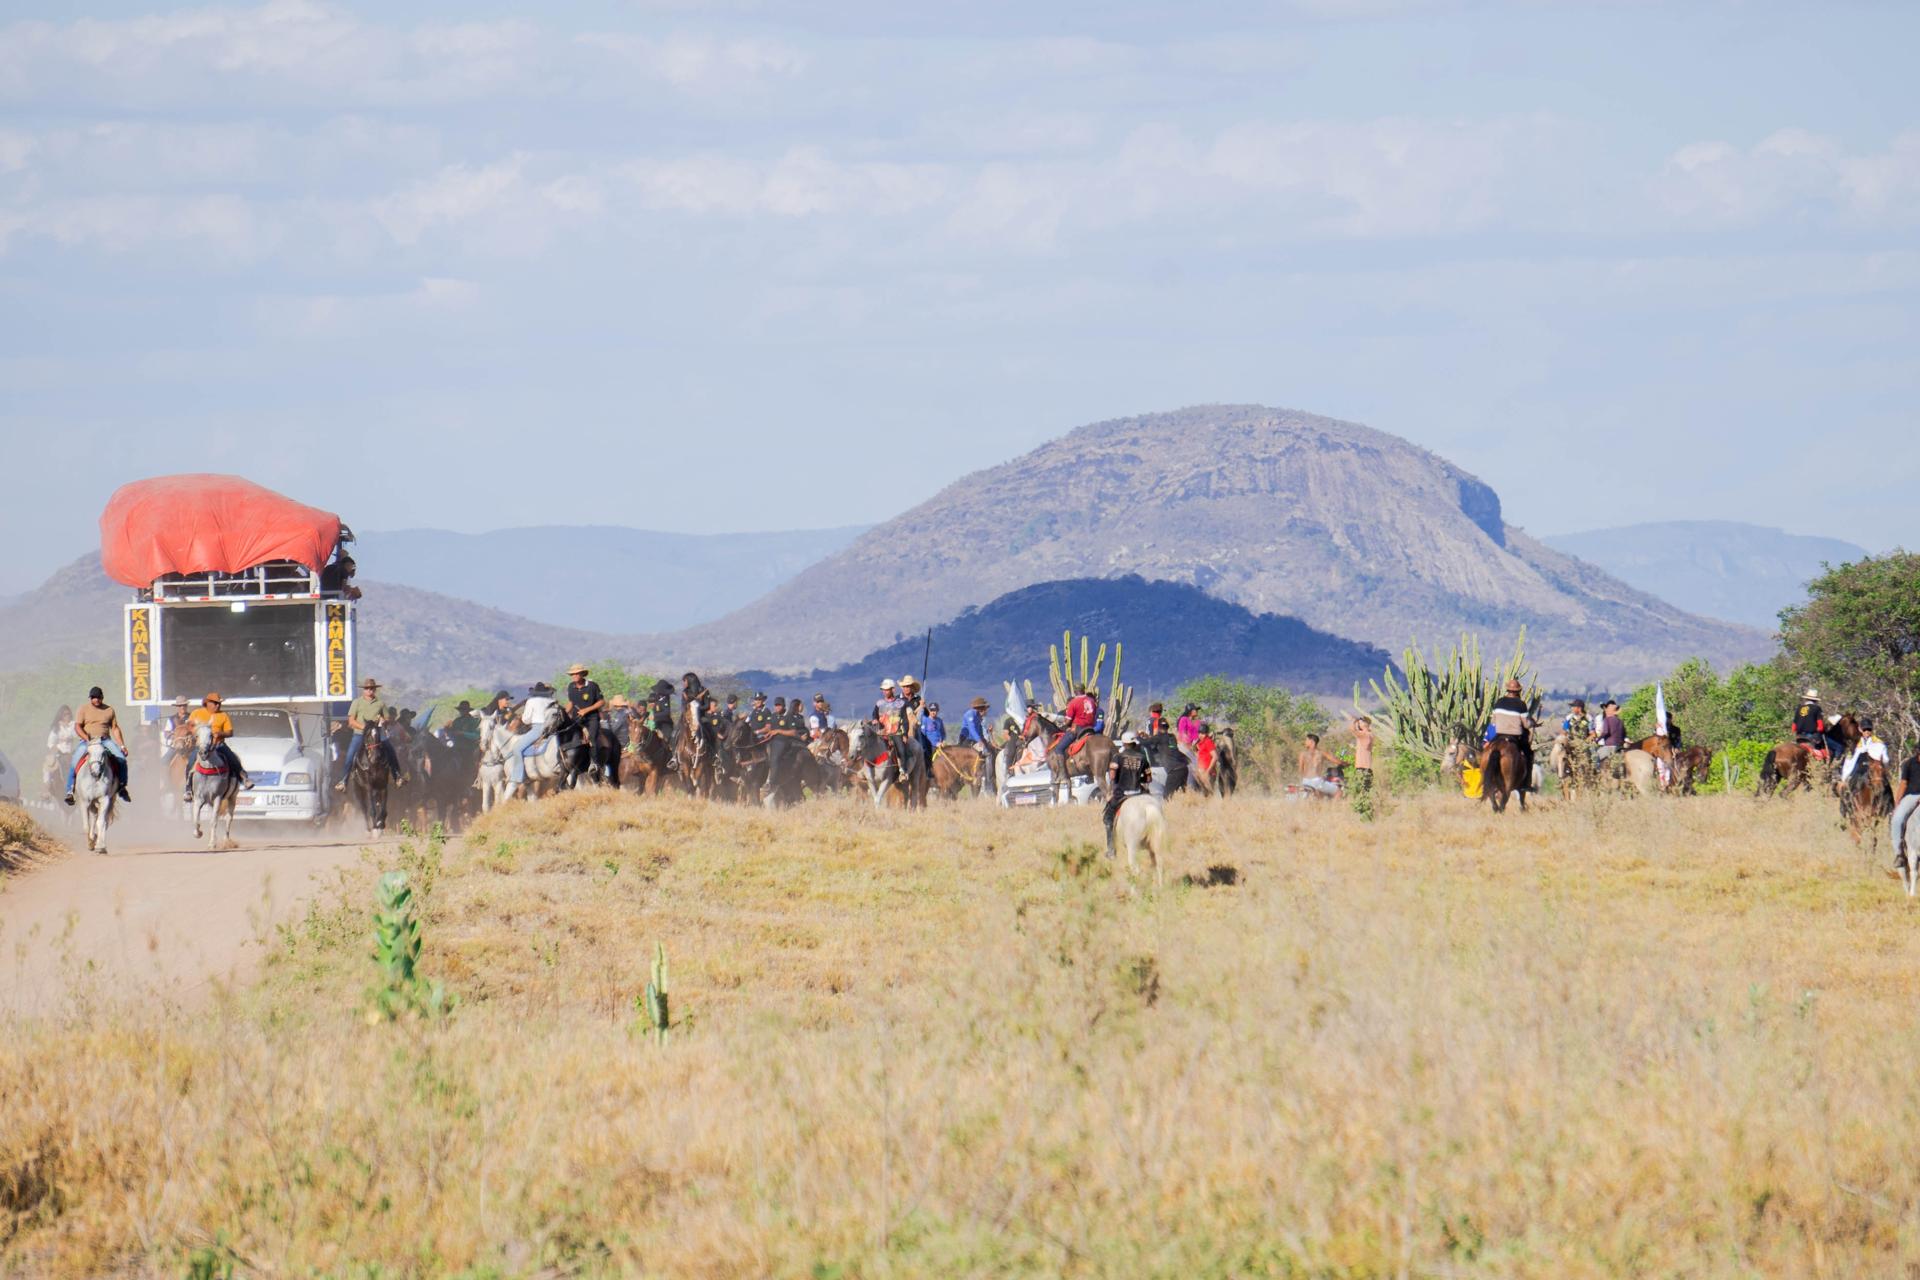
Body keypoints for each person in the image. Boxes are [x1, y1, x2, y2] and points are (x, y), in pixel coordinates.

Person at [65, 685, 131, 804]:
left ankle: (122, 787)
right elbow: (78, 726)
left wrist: (122, 745)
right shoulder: (83, 709)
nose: (96, 700)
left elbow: (115, 728)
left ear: (102, 697)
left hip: (104, 740)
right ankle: (70, 791)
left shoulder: (109, 710)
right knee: (74, 761)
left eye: (98, 697)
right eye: (93, 698)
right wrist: (86, 738)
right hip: (87, 740)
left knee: (121, 758)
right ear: (90, 698)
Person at [336, 678, 405, 789]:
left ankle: (397, 776)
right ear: (364, 690)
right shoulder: (357, 702)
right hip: (360, 734)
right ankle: (343, 780)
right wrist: (365, 728)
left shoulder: (380, 703)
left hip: (377, 733)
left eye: (372, 688)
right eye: (367, 688)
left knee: (390, 750)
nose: (369, 690)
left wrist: (383, 720)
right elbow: (351, 721)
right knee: (350, 754)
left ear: (375, 690)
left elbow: (388, 718)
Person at [184, 692, 252, 798]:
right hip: (201, 746)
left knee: (232, 758)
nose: (218, 705)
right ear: (207, 703)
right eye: (215, 703)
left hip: (218, 745)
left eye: (219, 703)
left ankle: (244, 779)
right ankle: (188, 788)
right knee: (191, 762)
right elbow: (188, 727)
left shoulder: (223, 715)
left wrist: (220, 733)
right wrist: (193, 733)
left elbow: (230, 732)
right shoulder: (197, 713)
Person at [1102, 730, 1150, 857]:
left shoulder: (1117, 757)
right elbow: (1149, 779)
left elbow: (1112, 776)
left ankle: (1111, 851)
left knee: (1108, 819)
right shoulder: (1143, 758)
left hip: (1121, 795)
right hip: (1138, 793)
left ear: (1124, 743)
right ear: (1135, 743)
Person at [761, 695, 809, 800]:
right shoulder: (772, 716)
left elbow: (793, 732)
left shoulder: (788, 717)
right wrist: (761, 733)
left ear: (783, 706)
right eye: (776, 705)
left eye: (779, 705)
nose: (777, 707)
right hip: (770, 740)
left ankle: (771, 782)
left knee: (774, 758)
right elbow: (768, 728)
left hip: (782, 741)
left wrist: (778, 731)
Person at [1489, 678, 1534, 783]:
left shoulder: (1499, 702)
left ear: (1507, 690)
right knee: (1528, 754)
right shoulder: (1521, 705)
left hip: (1499, 735)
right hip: (1515, 737)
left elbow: (1493, 721)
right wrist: (1533, 723)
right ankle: (1526, 782)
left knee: (1488, 749)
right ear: (1519, 691)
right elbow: (1526, 724)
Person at [1890, 739, 1920, 875]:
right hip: (1911, 796)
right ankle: (1899, 853)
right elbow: (1903, 784)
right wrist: (1897, 803)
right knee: (1897, 819)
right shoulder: (1909, 764)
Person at [565, 664, 605, 742]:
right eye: (572, 674)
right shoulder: (571, 686)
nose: (574, 676)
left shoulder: (592, 685)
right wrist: (565, 713)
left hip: (591, 718)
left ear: (582, 674)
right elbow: (571, 702)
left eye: (577, 673)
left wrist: (586, 710)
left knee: (592, 739)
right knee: (571, 738)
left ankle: (594, 750)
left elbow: (601, 702)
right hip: (576, 719)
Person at [1842, 717, 1889, 783]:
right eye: (1864, 729)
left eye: (1869, 729)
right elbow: (1849, 761)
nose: (1867, 731)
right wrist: (1844, 778)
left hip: (1874, 769)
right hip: (1858, 769)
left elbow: (1885, 759)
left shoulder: (1879, 743)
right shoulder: (1855, 744)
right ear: (1860, 729)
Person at [1349, 715, 1375, 820]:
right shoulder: (1369, 734)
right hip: (1367, 767)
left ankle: (1363, 813)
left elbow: (1352, 730)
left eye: (1361, 722)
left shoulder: (1365, 735)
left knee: (1361, 791)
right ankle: (1366, 813)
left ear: (1366, 724)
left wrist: (1353, 721)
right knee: (1365, 792)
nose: (1359, 724)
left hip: (1362, 768)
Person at [1297, 733, 1339, 797]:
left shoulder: (1302, 754)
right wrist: (1346, 763)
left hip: (1305, 781)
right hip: (1317, 781)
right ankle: (1334, 804)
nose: (1305, 742)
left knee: (1320, 795)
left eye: (1306, 740)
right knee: (1339, 792)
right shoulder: (1322, 753)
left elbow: (1300, 770)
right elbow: (1336, 761)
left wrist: (1302, 781)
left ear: (1312, 742)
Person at [1061, 683, 1098, 755]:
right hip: (1091, 728)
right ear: (1084, 690)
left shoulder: (1073, 702)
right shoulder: (1092, 701)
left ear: (1075, 691)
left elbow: (1067, 722)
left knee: (1059, 749)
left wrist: (1064, 723)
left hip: (1078, 729)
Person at [1791, 688, 1830, 756]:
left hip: (1799, 735)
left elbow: (1794, 727)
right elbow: (1820, 727)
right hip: (1811, 736)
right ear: (1815, 700)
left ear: (1806, 699)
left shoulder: (1799, 708)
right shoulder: (1817, 708)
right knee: (1825, 746)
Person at [1594, 700, 1627, 764]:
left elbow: (1605, 732)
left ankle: (1597, 769)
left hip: (1609, 746)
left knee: (1595, 758)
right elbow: (1624, 734)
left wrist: (1597, 740)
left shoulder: (1607, 720)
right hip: (1619, 746)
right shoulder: (1620, 721)